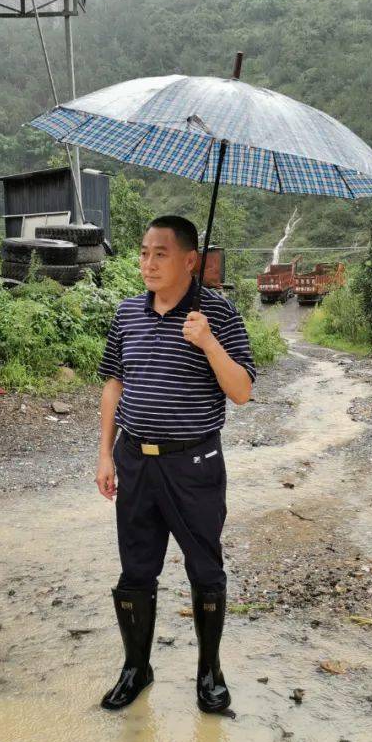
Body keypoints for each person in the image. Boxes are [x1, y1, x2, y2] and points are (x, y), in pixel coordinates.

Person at [95, 215, 255, 713]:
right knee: (135, 570)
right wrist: (104, 452)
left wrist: (208, 342)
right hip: (135, 461)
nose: (147, 263)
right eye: (143, 252)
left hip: (195, 464)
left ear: (190, 261)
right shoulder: (126, 313)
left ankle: (210, 672)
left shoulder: (219, 315)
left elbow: (243, 392)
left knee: (205, 569)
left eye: (160, 254)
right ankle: (136, 668)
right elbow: (113, 384)